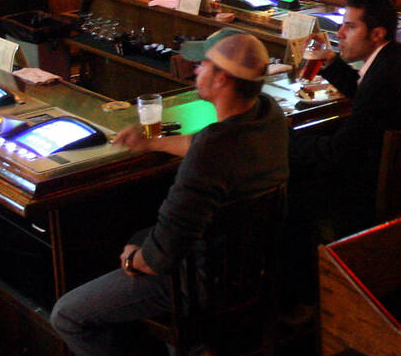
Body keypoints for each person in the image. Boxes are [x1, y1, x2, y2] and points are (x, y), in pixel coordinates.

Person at [50, 29, 288, 356]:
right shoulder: (267, 114)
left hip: (202, 283)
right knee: (135, 234)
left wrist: (134, 261)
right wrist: (151, 142)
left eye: (204, 64)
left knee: (67, 314)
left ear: (221, 79)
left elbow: (160, 256)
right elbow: (200, 141)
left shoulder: (210, 152)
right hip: (250, 267)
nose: (195, 70)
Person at [289, 0, 401, 236]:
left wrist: (288, 141)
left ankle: (315, 261)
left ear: (377, 34)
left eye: (351, 26)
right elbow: (364, 92)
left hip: (371, 189)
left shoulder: (381, 81)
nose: (339, 34)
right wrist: (330, 62)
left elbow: (339, 152)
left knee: (295, 176)